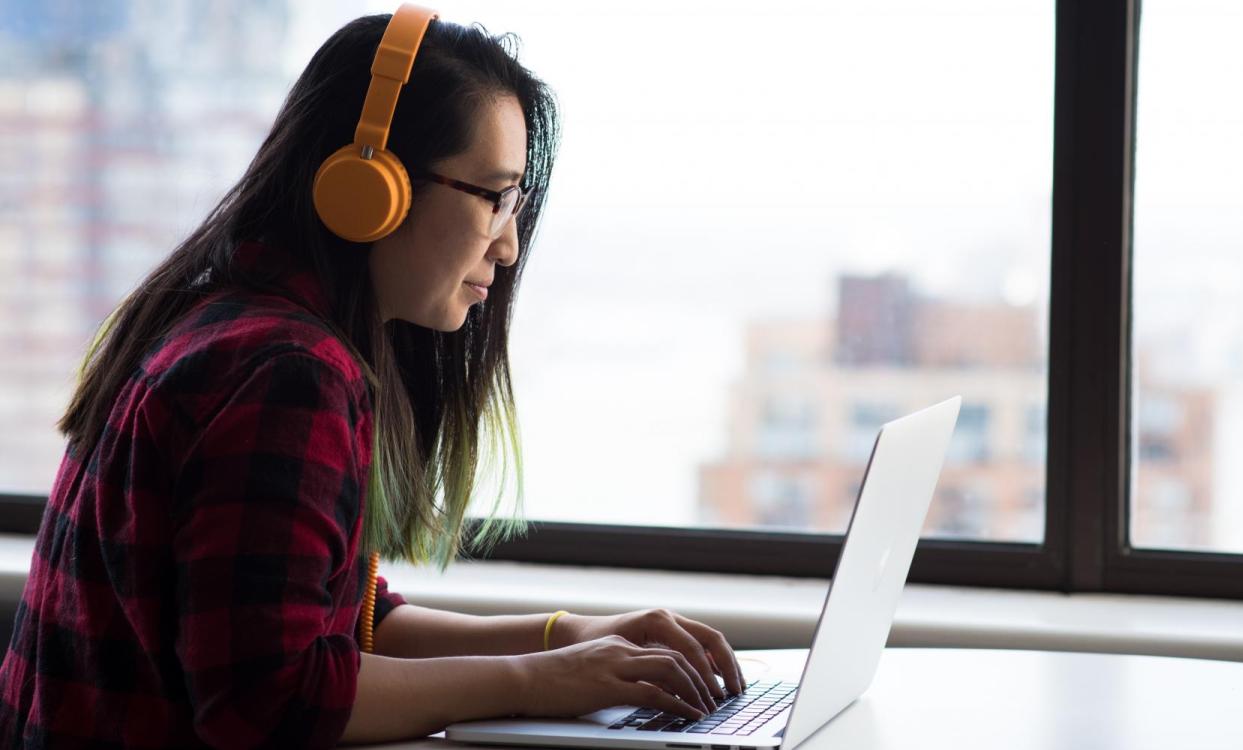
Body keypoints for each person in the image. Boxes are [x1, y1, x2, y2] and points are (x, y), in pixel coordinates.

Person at [0, 5, 744, 747]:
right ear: (370, 185)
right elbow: (269, 699)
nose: (509, 246)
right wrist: (543, 680)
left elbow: (350, 621)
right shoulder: (285, 373)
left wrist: (565, 636)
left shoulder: (229, 320)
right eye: (494, 197)